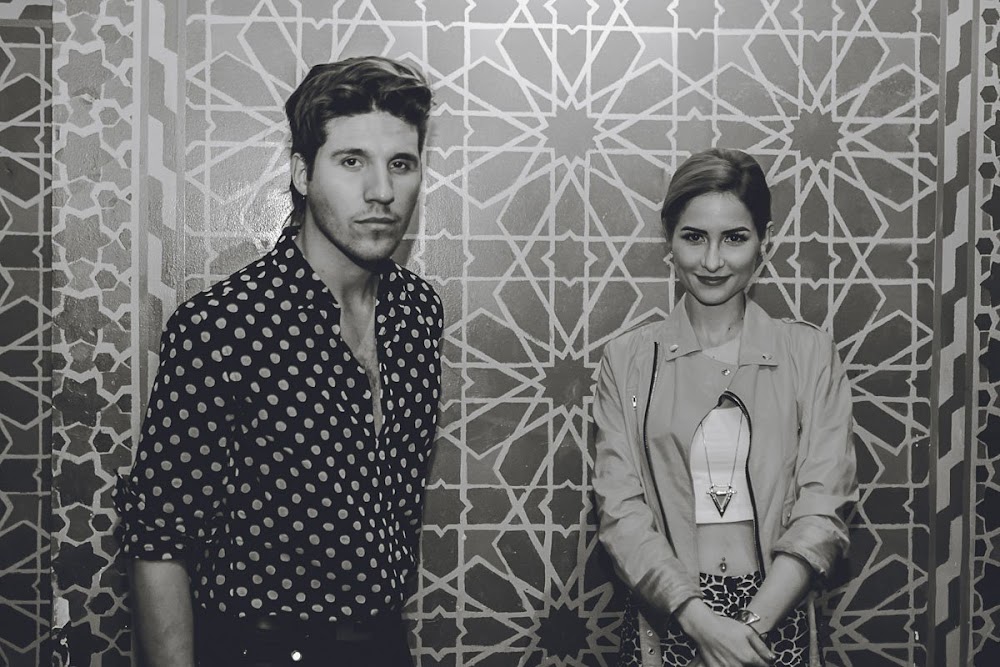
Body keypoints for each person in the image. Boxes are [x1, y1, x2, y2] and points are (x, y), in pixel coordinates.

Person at [114, 56, 443, 667]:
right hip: (259, 647)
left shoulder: (418, 313)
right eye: (352, 161)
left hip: (381, 641)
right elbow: (159, 539)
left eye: (401, 164)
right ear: (301, 172)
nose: (382, 191)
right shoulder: (222, 327)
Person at [591, 148, 858, 667]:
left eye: (734, 238)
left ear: (763, 240)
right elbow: (620, 511)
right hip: (669, 613)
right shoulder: (626, 361)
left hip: (776, 612)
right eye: (694, 237)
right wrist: (700, 622)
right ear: (669, 241)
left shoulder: (809, 353)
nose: (712, 261)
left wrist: (748, 629)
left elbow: (825, 504)